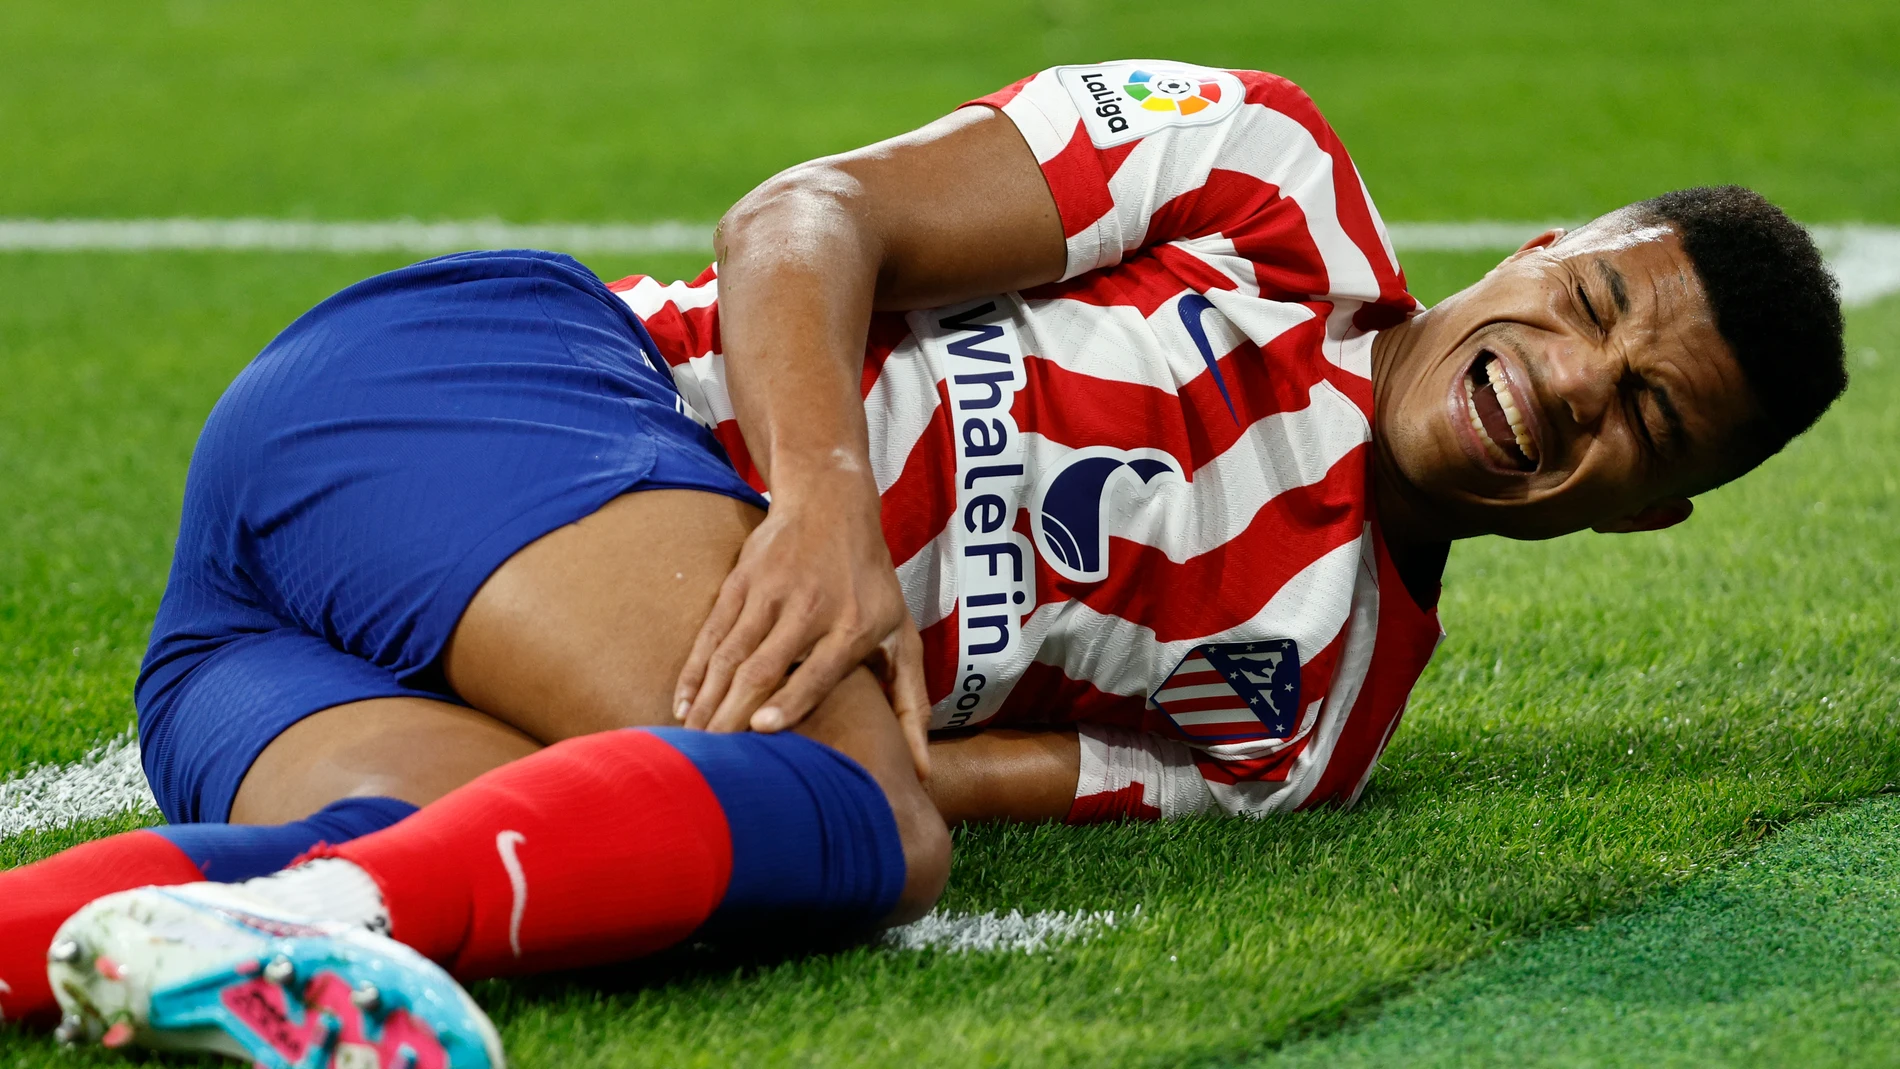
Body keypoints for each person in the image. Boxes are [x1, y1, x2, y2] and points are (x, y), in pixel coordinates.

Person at [1, 59, 1844, 1068]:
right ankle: (343, 945)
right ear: (1532, 251)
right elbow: (815, 215)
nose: (1570, 390)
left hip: (261, 663)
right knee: (864, 831)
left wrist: (835, 711)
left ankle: (171, 928)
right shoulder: (1263, 177)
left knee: (605, 843)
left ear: (1638, 517)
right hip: (481, 393)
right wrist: (820, 505)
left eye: (1644, 426)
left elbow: (969, 761)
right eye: (1592, 306)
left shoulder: (1320, 720)